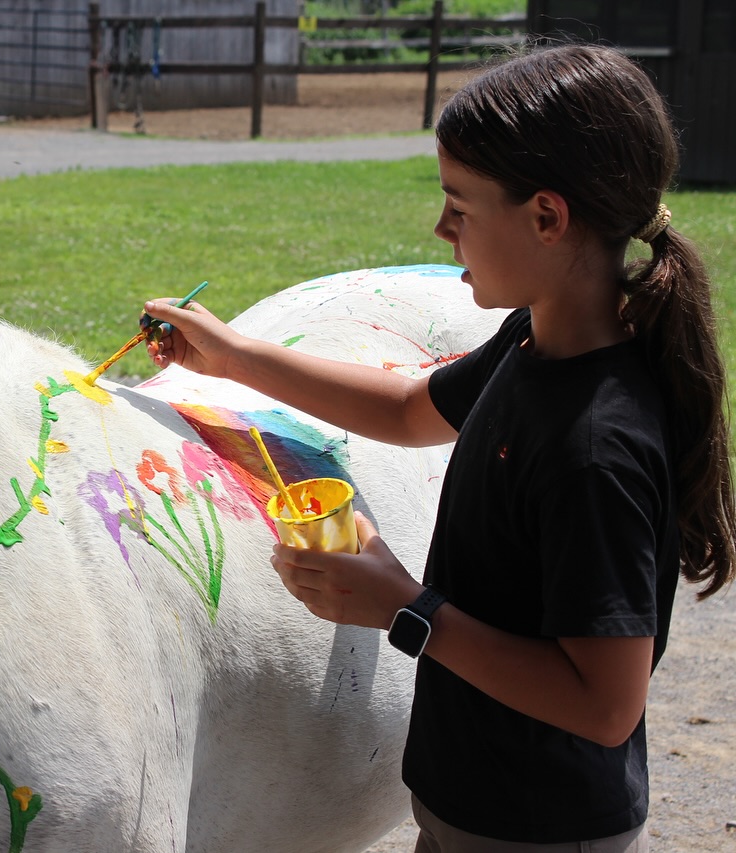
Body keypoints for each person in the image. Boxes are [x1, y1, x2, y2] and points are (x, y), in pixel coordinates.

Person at [141, 44, 735, 851]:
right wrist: (233, 355)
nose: (440, 227)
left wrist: (407, 607)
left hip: (541, 831)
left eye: (460, 204)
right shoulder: (532, 340)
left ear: (547, 217)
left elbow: (606, 703)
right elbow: (409, 406)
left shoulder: (597, 444)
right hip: (469, 807)